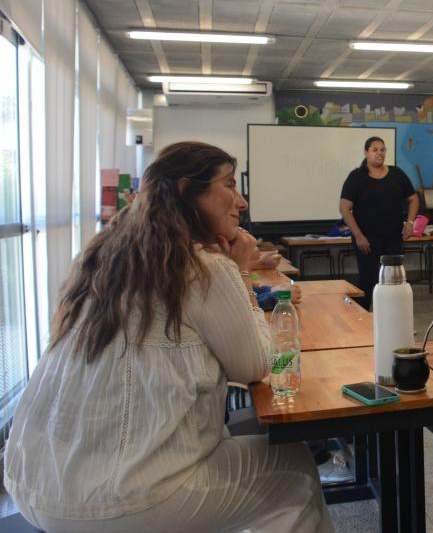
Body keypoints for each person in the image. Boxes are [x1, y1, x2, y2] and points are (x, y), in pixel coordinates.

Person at [4, 142, 332, 533]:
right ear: (185, 191)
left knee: (236, 433)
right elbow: (256, 364)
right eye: (229, 184)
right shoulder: (202, 267)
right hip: (118, 499)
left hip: (34, 483)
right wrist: (240, 271)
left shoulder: (106, 257)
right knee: (292, 466)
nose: (241, 201)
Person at [340, 136, 420, 309]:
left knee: (394, 281)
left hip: (393, 238)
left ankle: (392, 315)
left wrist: (410, 222)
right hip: (367, 240)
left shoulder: (396, 174)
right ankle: (362, 319)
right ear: (366, 152)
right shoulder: (357, 177)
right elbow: (345, 208)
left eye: (382, 149)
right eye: (375, 149)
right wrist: (359, 235)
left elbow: (413, 199)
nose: (379, 153)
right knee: (367, 280)